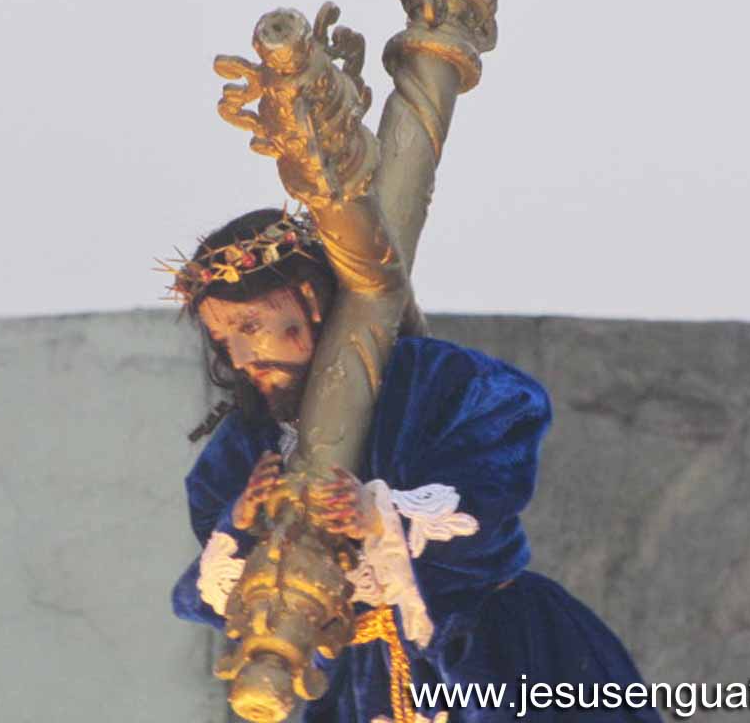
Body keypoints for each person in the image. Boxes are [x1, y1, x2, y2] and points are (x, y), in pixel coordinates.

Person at [170, 208, 662, 722]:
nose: (241, 356)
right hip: (360, 686)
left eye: (251, 325)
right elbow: (214, 592)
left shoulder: (428, 380)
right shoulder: (249, 443)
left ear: (309, 299)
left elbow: (498, 462)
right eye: (224, 340)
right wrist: (244, 522)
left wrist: (378, 514)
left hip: (487, 657)